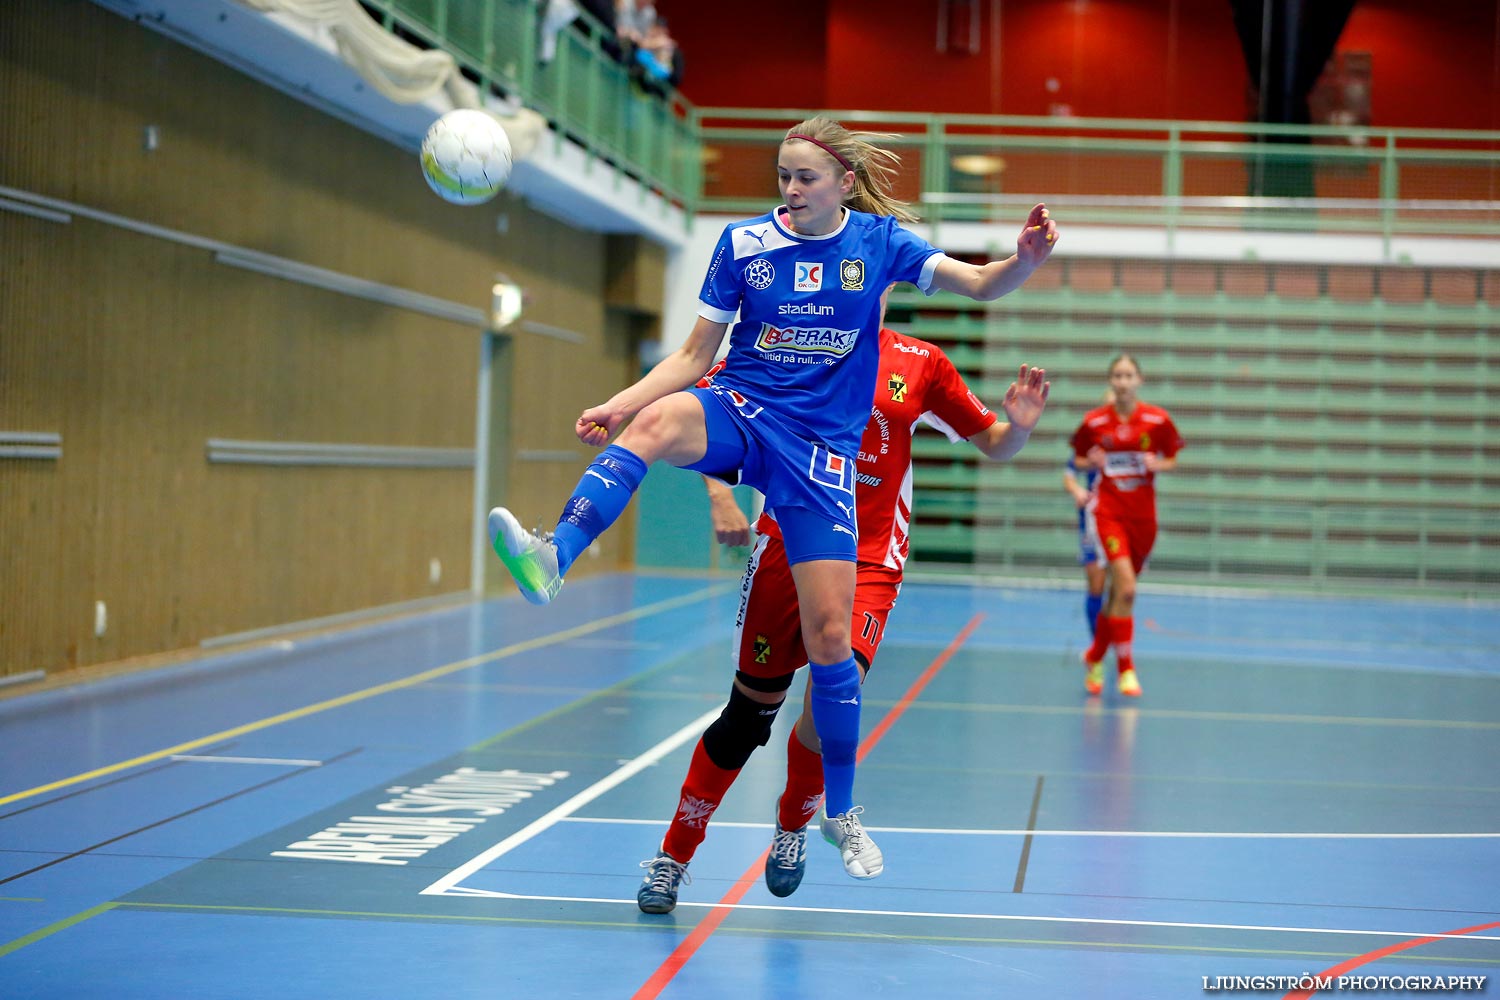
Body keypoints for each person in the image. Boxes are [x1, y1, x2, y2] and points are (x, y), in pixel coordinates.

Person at [488, 115, 1057, 891]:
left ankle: (837, 813)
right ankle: (556, 555)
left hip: (819, 458)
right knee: (657, 422)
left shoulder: (882, 246)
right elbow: (694, 355)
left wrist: (1022, 262)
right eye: (782, 176)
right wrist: (619, 404)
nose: (790, 191)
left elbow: (984, 284)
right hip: (745, 409)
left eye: (806, 178)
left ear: (843, 183)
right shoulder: (745, 245)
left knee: (831, 645)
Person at [635, 289, 1051, 913]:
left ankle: (795, 823)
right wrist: (721, 495)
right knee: (747, 717)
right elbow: (702, 416)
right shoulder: (787, 347)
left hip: (868, 559)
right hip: (785, 542)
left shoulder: (920, 363)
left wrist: (1016, 428)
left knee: (833, 692)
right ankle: (674, 855)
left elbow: (993, 442)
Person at [1069, 355, 1183, 697]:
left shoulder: (1157, 420)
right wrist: (1091, 461)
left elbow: (1173, 458)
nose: (1123, 381)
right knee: (1128, 590)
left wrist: (1157, 464)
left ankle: (1094, 655)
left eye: (1128, 375)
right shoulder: (1094, 422)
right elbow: (1076, 458)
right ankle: (1126, 669)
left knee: (1119, 594)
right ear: (1111, 381)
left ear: (1139, 380)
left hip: (1144, 519)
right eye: (1117, 375)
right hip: (1109, 515)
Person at [1061, 389, 1114, 640]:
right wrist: (1077, 491)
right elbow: (1069, 474)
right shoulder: (1091, 439)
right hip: (1093, 521)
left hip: (1122, 519)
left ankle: (1116, 641)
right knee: (1096, 585)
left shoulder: (1134, 439)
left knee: (1121, 589)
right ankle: (1097, 644)